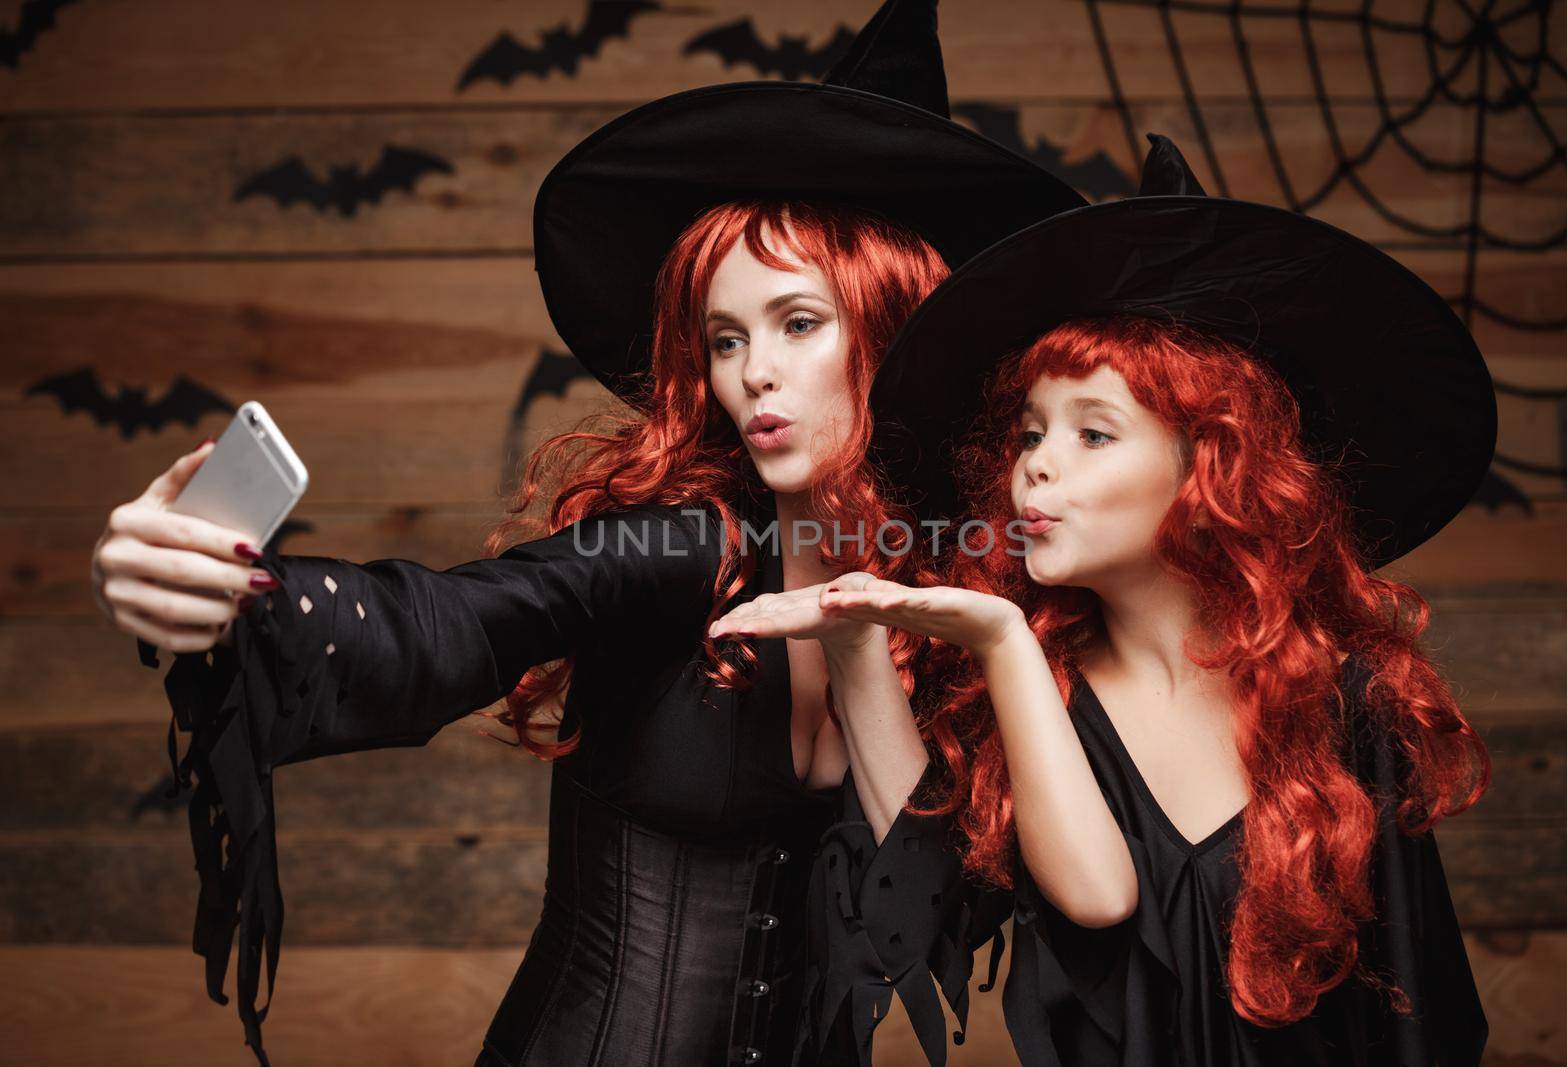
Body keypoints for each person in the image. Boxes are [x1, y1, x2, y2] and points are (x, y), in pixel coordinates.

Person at [85, 3, 1087, 1064]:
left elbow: (924, 928)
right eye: (725, 337)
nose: (753, 372)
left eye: (798, 323)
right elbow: (461, 617)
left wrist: (862, 644)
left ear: (892, 332)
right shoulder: (671, 551)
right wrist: (239, 593)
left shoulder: (955, 605)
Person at [713, 135, 1496, 1066]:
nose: (1036, 462)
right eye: (1031, 431)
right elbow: (1034, 899)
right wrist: (876, 629)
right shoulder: (1038, 694)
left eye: (1094, 433)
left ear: (1212, 470)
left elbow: (1430, 1020)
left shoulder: (1347, 697)